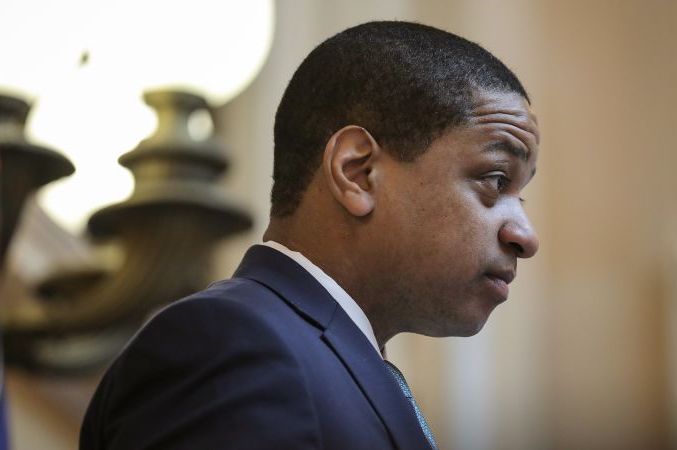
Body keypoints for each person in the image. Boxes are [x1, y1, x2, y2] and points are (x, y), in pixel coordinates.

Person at [79, 20, 539, 450]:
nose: (525, 235)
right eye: (496, 179)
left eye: (521, 195)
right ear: (357, 172)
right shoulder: (230, 345)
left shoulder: (316, 359)